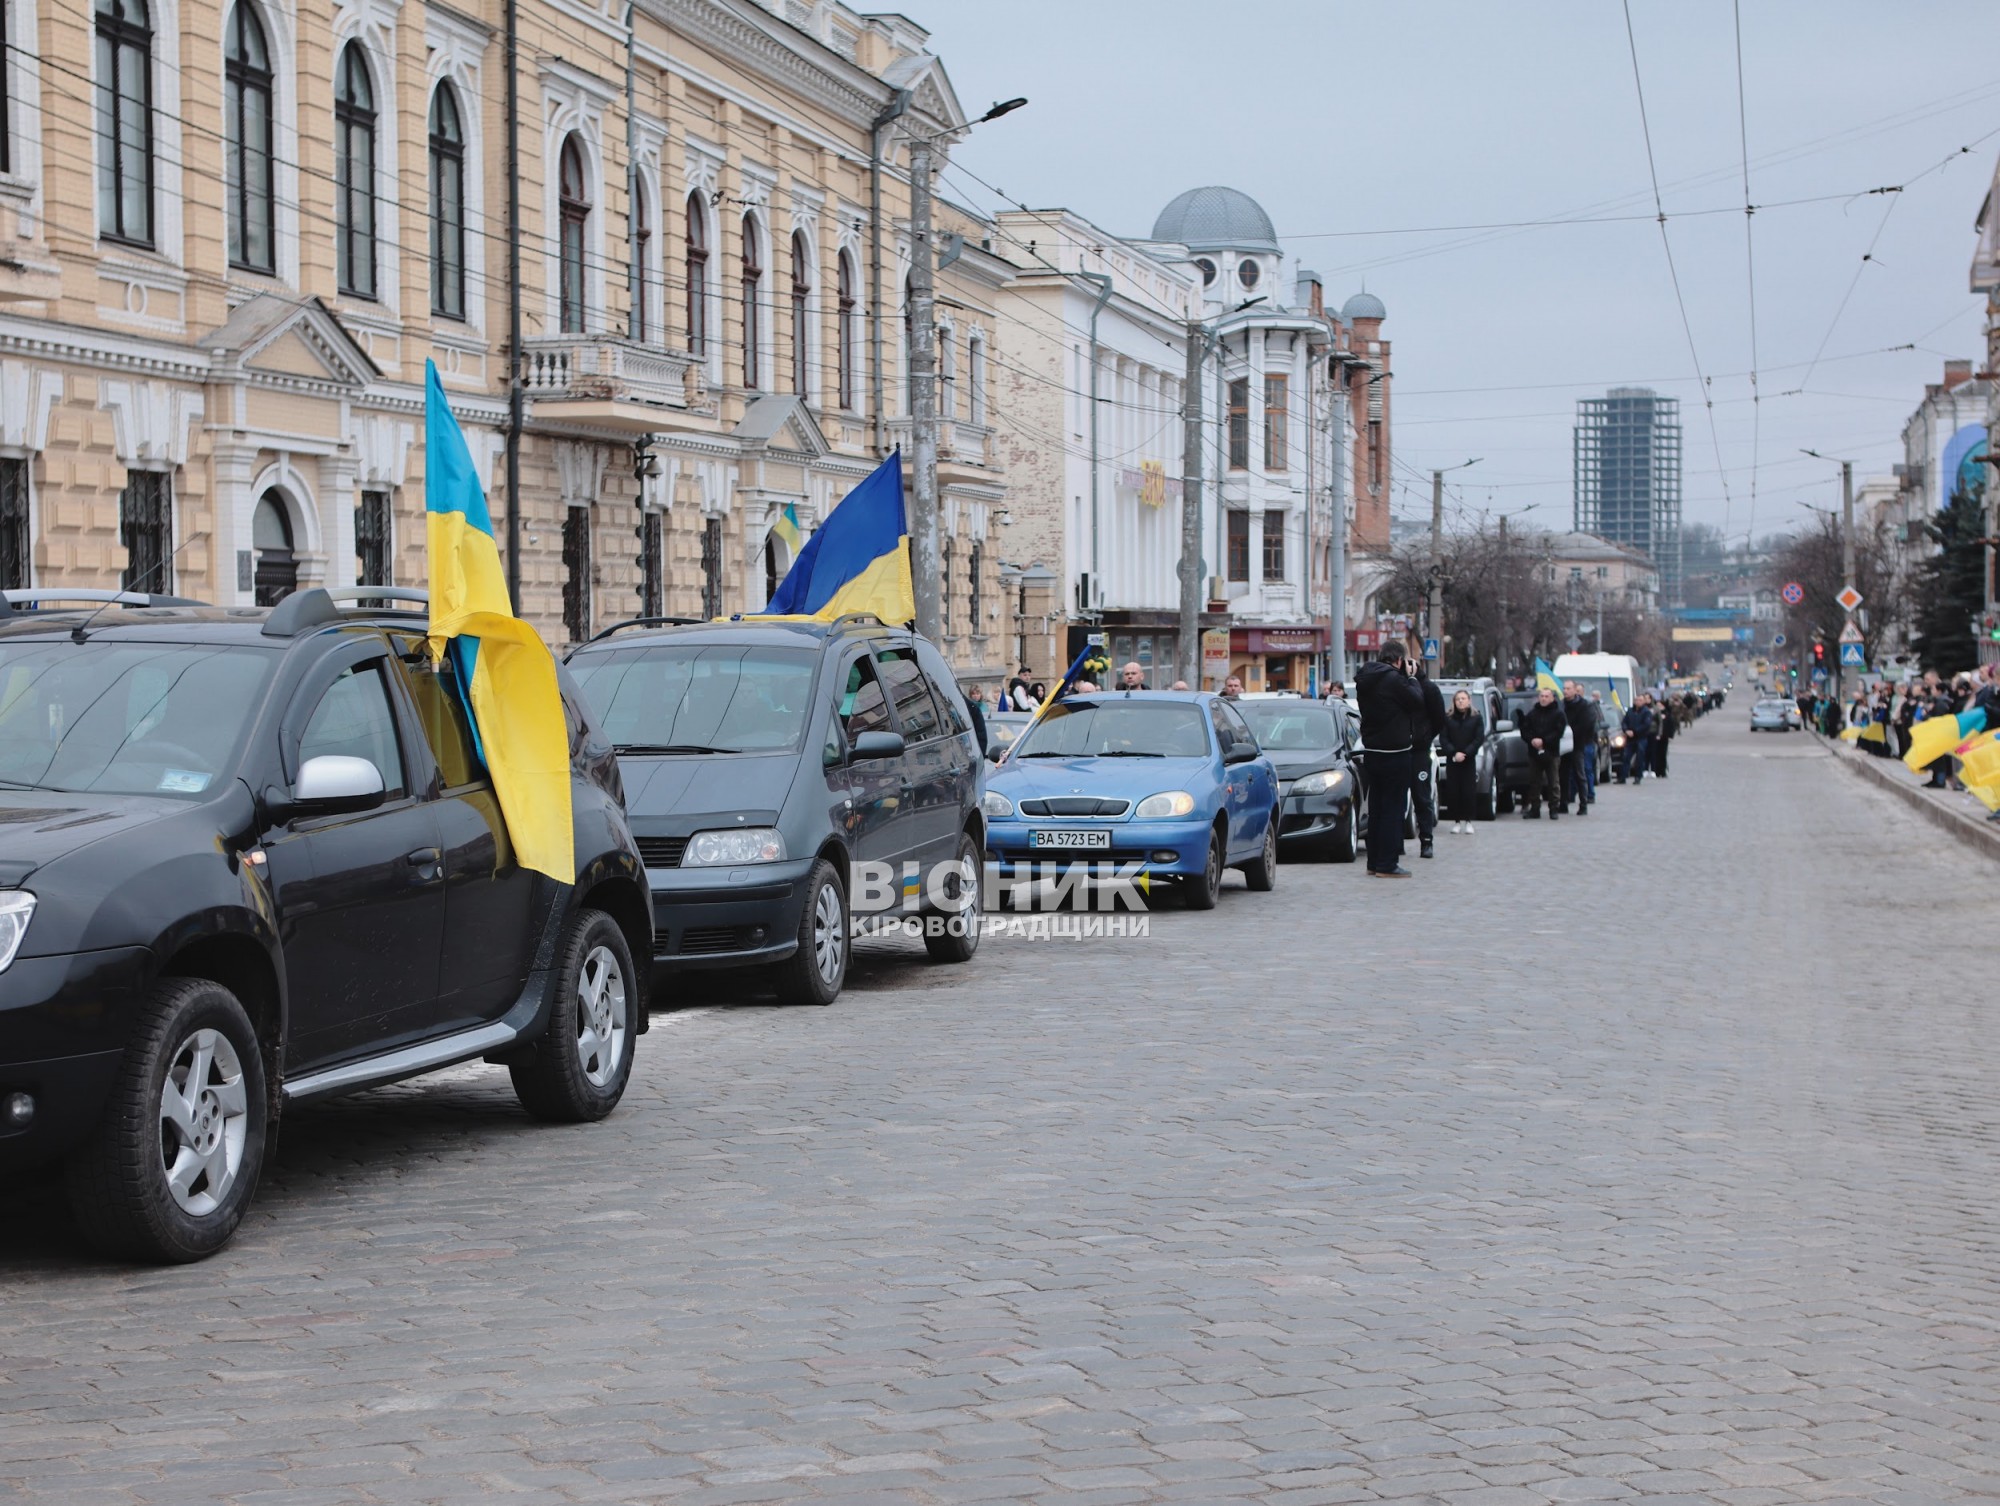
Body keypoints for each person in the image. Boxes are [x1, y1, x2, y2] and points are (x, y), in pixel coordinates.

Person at [1354, 643, 1425, 877]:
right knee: (1394, 810)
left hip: (1373, 751)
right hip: (1395, 753)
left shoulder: (1366, 679)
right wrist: (1412, 678)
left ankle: (1374, 862)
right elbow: (1416, 702)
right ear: (1399, 660)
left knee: (1376, 809)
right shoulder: (1394, 680)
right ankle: (1387, 863)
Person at [1409, 665, 1446, 858]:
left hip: (1419, 751)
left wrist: (1425, 737)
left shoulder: (1428, 688)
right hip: (1398, 749)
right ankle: (1397, 842)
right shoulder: (1397, 685)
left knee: (1422, 797)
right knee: (1396, 798)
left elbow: (1439, 718)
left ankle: (1426, 841)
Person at [1518, 685, 1568, 819]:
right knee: (1534, 782)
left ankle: (1554, 809)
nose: (1544, 699)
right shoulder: (1532, 713)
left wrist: (1544, 741)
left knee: (1553, 782)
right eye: (1542, 696)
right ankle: (1535, 808)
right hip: (1534, 753)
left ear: (1552, 698)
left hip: (1551, 752)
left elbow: (1559, 732)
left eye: (1547, 696)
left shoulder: (1558, 714)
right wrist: (1532, 740)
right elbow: (1525, 730)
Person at [1439, 688, 1484, 835]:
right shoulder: (1448, 718)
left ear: (1469, 700)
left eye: (1463, 698)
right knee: (1454, 791)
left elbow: (1478, 738)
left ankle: (1469, 821)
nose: (1460, 701)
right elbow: (1443, 738)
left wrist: (1466, 753)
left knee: (1468, 791)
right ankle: (1456, 821)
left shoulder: (1476, 718)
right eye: (1458, 699)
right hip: (1453, 760)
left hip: (1468, 760)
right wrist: (1453, 752)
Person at [1562, 680, 1598, 815]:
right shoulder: (1561, 704)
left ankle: (1583, 803)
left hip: (1578, 744)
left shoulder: (1584, 705)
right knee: (1563, 775)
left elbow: (1586, 725)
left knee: (1580, 774)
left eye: (1568, 688)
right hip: (1563, 744)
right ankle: (1563, 803)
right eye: (1564, 688)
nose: (1565, 691)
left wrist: (1571, 732)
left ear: (1574, 690)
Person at [1620, 694, 1653, 783]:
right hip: (1630, 738)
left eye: (1640, 700)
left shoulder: (1646, 712)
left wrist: (1634, 731)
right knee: (1626, 757)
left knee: (1639, 758)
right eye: (1636, 700)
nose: (1638, 702)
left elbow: (1646, 725)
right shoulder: (1630, 711)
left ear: (1643, 702)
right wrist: (1626, 730)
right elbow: (1624, 722)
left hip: (1641, 738)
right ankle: (1623, 777)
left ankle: (1638, 777)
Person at [961, 682, 990, 755]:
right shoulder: (969, 707)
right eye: (973, 694)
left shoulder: (985, 706)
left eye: (977, 694)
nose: (975, 696)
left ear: (981, 694)